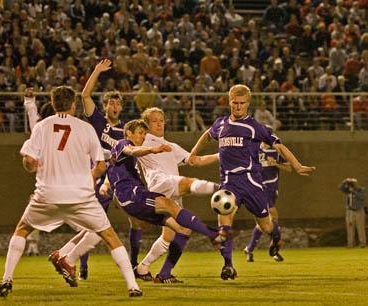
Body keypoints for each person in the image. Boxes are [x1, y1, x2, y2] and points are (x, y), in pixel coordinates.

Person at [0, 86, 142, 298]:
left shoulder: (41, 127)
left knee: (22, 230)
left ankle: (7, 280)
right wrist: (90, 177)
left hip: (47, 195)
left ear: (53, 104)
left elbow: (28, 162)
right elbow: (101, 166)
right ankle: (133, 286)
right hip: (80, 196)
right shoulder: (85, 128)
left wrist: (33, 164)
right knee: (109, 237)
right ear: (74, 104)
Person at [188, 84, 316, 280]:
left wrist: (297, 166)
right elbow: (207, 135)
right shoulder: (220, 124)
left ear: (248, 104)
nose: (238, 107)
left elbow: (279, 146)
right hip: (229, 183)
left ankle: (276, 238)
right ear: (229, 102)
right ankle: (228, 266)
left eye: (242, 104)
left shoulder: (255, 127)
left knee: (266, 226)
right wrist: (193, 154)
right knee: (224, 222)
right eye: (234, 103)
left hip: (252, 183)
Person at [48, 59, 145, 282]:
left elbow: (135, 153)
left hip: (122, 178)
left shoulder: (127, 130)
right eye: (110, 103)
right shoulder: (98, 122)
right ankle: (80, 265)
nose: (114, 107)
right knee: (93, 223)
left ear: (121, 107)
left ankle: (133, 262)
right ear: (105, 105)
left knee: (136, 220)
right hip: (99, 174)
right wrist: (97, 71)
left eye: (117, 104)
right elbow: (84, 96)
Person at [100, 119, 225, 267]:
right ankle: (213, 233)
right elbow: (131, 150)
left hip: (135, 196)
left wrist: (106, 184)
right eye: (140, 133)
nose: (143, 137)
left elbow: (112, 168)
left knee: (183, 229)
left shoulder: (127, 157)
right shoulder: (123, 143)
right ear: (128, 133)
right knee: (169, 204)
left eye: (145, 134)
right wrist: (152, 150)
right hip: (132, 196)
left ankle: (147, 270)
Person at [134, 107, 218, 283]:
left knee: (179, 232)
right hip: (161, 184)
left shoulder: (172, 147)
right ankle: (219, 189)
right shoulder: (143, 141)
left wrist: (220, 154)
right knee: (187, 183)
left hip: (171, 191)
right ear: (146, 125)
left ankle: (146, 269)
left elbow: (195, 160)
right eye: (154, 120)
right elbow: (126, 149)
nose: (158, 123)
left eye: (161, 120)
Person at [244, 141, 292, 262]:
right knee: (273, 214)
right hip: (259, 188)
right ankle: (276, 245)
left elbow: (289, 168)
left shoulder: (276, 151)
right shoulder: (254, 150)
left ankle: (249, 249)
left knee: (264, 222)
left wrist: (275, 163)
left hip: (272, 189)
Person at [339, 178, 366, 248]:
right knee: (350, 227)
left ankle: (362, 243)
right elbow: (340, 188)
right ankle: (350, 243)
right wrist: (345, 181)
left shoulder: (360, 189)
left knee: (360, 227)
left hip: (358, 211)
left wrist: (354, 191)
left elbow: (362, 197)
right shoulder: (348, 190)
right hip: (350, 211)